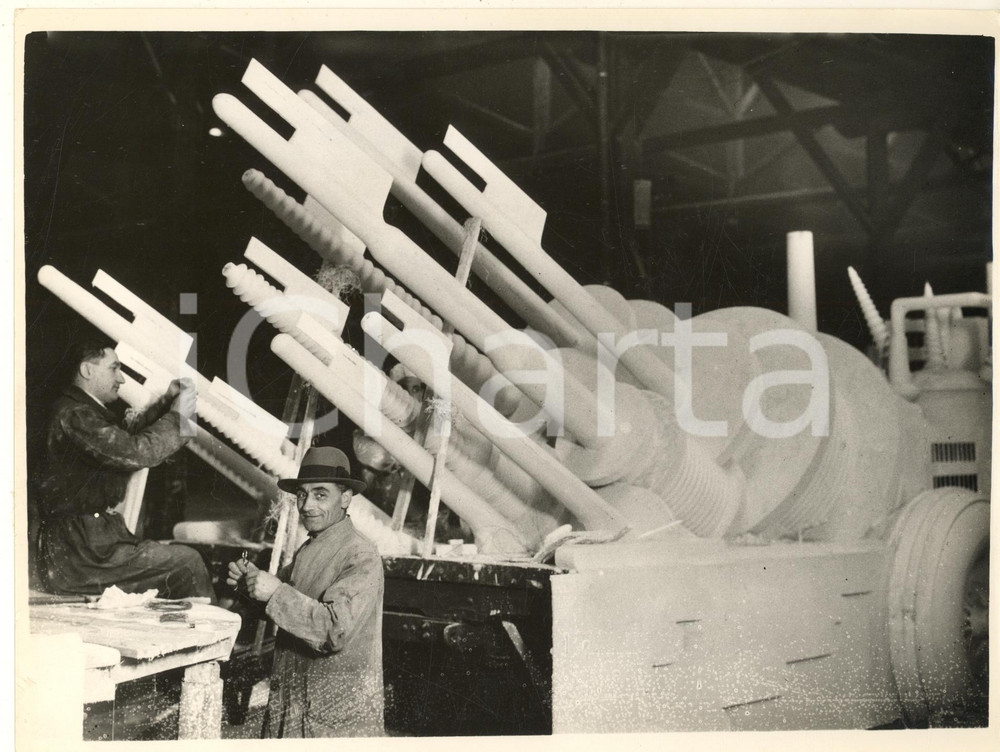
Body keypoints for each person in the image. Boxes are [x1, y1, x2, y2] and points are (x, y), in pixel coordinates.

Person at [36, 341, 215, 601]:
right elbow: (134, 452)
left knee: (182, 564)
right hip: (82, 552)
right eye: (114, 369)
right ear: (87, 370)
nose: (121, 379)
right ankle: (215, 635)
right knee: (187, 563)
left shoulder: (80, 412)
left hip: (87, 545)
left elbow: (121, 442)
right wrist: (177, 418)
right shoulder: (75, 415)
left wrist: (166, 403)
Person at [227, 446, 385, 738]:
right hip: (296, 708)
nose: (307, 505)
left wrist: (274, 592)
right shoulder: (311, 547)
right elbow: (280, 603)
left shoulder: (360, 555)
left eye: (320, 494)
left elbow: (332, 630)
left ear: (346, 498)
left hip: (332, 725)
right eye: (302, 494)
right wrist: (248, 586)